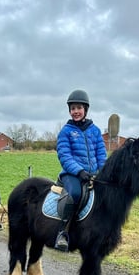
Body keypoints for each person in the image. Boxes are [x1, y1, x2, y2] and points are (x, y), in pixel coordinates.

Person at [53, 89, 107, 251]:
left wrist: (102, 172)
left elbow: (101, 154)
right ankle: (63, 233)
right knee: (75, 194)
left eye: (79, 108)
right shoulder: (66, 132)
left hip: (93, 174)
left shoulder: (95, 130)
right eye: (73, 108)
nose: (76, 111)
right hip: (72, 174)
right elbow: (64, 156)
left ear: (86, 109)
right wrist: (79, 171)